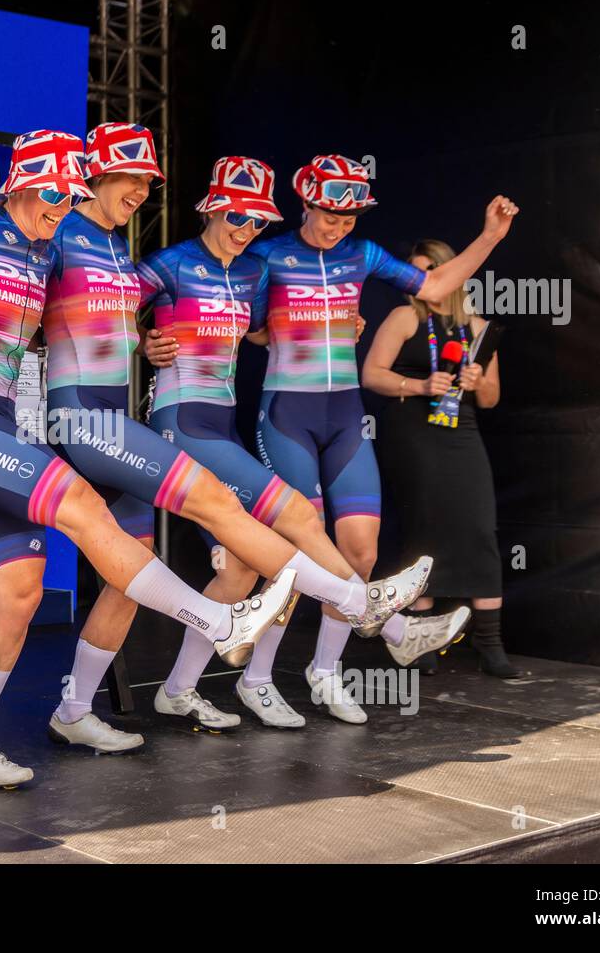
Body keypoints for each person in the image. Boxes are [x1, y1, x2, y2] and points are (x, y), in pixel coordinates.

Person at [0, 128, 447, 742]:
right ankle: (364, 610)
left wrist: (148, 343)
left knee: (130, 574)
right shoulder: (58, 231)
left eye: (149, 180)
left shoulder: (123, 249)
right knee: (223, 507)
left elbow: (111, 323)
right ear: (93, 175)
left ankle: (74, 713)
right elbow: (0, 286)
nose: (143, 190)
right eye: (132, 178)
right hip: (80, 420)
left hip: (117, 416)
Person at [0, 129, 311, 787]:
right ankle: (217, 617)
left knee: (21, 589)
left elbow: (65, 328)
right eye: (54, 192)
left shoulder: (45, 252)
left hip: (0, 425)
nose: (62, 203)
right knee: (88, 510)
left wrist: (149, 342)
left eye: (71, 193)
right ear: (22, 182)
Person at [138, 156, 469, 729]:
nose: (245, 230)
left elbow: (260, 328)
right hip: (215, 417)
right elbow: (104, 303)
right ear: (212, 206)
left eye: (254, 222)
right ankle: (386, 628)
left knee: (252, 564)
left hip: (238, 419)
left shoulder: (244, 270)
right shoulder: (189, 261)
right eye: (236, 218)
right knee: (294, 533)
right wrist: (143, 342)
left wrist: (335, 323)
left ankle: (184, 686)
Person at [362, 238, 517, 677]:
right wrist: (419, 386)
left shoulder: (479, 326)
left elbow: (490, 399)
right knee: (425, 529)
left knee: (477, 526)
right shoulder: (405, 316)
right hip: (413, 434)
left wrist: (478, 377)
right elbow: (371, 375)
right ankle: (421, 637)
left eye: (427, 269)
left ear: (452, 271)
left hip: (462, 433)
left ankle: (490, 642)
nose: (418, 280)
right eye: (413, 271)